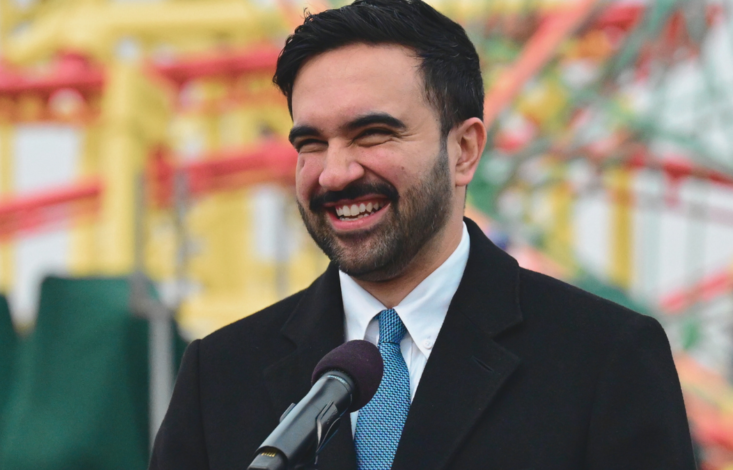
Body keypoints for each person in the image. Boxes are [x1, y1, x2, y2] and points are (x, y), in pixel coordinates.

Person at [149, 0, 697, 469]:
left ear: (464, 150)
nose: (335, 173)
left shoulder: (605, 359)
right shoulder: (219, 375)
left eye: (373, 134)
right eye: (310, 143)